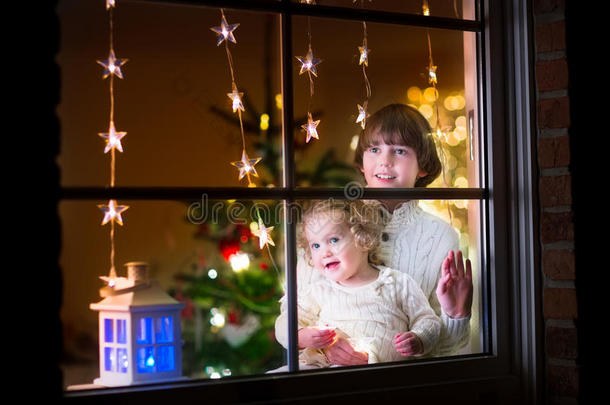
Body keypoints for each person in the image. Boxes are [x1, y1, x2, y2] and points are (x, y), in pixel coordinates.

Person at [279, 103, 473, 366]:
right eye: (374, 149)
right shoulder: (327, 225)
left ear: (423, 166)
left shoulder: (440, 237)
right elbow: (295, 314)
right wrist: (316, 343)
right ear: (361, 162)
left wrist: (455, 313)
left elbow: (445, 345)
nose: (385, 160)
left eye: (400, 150)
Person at [273, 199, 441, 370]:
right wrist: (300, 336)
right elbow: (285, 321)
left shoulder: (396, 283)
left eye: (333, 240)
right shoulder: (320, 290)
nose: (324, 252)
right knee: (276, 379)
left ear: (362, 238)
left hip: (377, 372)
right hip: (320, 367)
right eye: (315, 245)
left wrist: (419, 339)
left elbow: (428, 320)